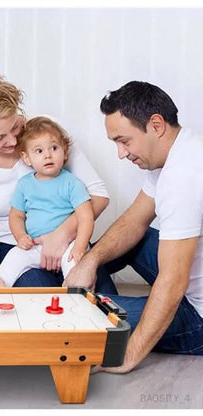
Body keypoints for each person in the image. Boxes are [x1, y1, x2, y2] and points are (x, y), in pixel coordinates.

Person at [66, 81, 203, 373]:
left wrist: (126, 355)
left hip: (198, 317)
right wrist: (89, 261)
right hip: (189, 273)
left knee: (79, 314)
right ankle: (96, 288)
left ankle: (100, 304)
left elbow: (173, 280)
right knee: (123, 241)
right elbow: (133, 221)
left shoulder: (183, 177)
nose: (120, 153)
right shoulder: (177, 150)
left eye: (124, 141)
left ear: (155, 125)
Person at [0, 73, 109, 287]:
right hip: (16, 245)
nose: (14, 140)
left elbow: (98, 194)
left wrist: (61, 235)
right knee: (39, 301)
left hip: (69, 236)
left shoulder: (46, 134)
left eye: (15, 126)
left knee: (100, 301)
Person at [0, 116, 94, 287]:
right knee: (13, 257)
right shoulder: (25, 184)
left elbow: (86, 218)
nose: (48, 155)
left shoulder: (72, 183)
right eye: (39, 151)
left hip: (69, 244)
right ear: (26, 158)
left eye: (54, 148)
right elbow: (16, 216)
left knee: (75, 266)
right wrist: (20, 236)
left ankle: (75, 301)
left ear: (65, 152)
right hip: (36, 244)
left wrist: (80, 246)